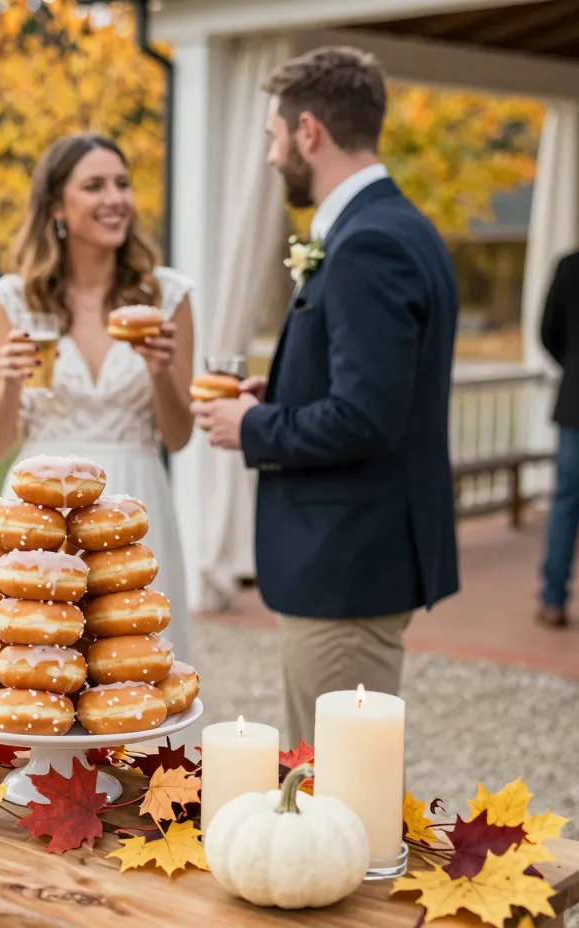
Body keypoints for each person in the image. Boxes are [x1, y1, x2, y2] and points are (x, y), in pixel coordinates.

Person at [193, 46, 459, 747]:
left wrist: (254, 424)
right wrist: (277, 391)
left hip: (347, 565)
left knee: (341, 786)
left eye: (274, 138)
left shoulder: (370, 242)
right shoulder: (398, 225)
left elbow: (365, 418)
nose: (273, 156)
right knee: (333, 773)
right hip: (357, 554)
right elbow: (369, 384)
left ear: (309, 130)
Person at [0, 132, 199, 684]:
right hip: (43, 512)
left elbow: (178, 435)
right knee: (39, 668)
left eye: (122, 184)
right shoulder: (13, 300)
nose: (114, 198)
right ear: (57, 207)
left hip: (137, 505)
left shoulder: (167, 297)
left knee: (136, 674)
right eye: (94, 186)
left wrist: (161, 372)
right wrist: (7, 384)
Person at [537, 244, 579, 629]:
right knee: (566, 504)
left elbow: (548, 332)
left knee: (566, 505)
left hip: (577, 404)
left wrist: (574, 370)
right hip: (576, 405)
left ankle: (553, 599)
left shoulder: (570, 266)